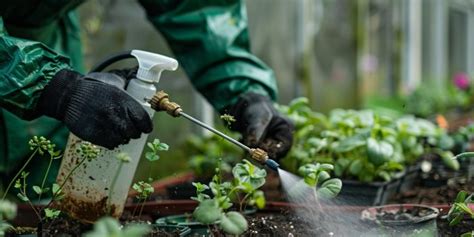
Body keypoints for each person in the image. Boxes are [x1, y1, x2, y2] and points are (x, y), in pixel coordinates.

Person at [0, 1, 293, 192]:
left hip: (43, 43)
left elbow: (193, 8)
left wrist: (243, 91)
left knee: (42, 199)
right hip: (16, 58)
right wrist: (51, 86)